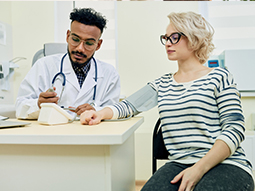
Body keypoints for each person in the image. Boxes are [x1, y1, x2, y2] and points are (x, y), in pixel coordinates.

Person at [80, 11, 254, 191]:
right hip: (179, 163)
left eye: (175, 37)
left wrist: (198, 169)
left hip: (226, 163)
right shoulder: (162, 84)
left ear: (194, 38)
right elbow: (128, 106)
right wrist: (99, 113)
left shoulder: (219, 76)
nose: (168, 43)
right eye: (166, 38)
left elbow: (235, 128)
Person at [15, 8, 120, 119]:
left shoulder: (109, 73)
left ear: (98, 45)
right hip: (53, 134)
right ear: (67, 36)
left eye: (88, 43)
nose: (80, 48)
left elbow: (113, 111)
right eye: (75, 39)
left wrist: (96, 111)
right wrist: (38, 104)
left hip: (92, 133)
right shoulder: (44, 66)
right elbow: (20, 108)